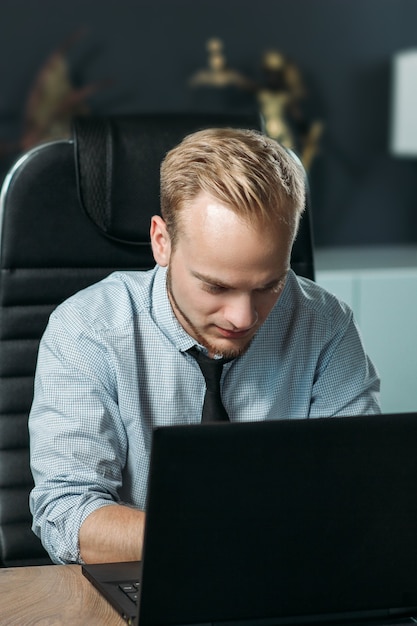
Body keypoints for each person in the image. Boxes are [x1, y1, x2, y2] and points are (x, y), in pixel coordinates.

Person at [29, 127, 380, 565]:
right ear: (162, 242)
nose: (243, 317)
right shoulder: (86, 330)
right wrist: (223, 537)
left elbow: (361, 491)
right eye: (216, 286)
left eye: (269, 285)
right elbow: (66, 514)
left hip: (289, 576)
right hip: (145, 575)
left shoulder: (324, 324)